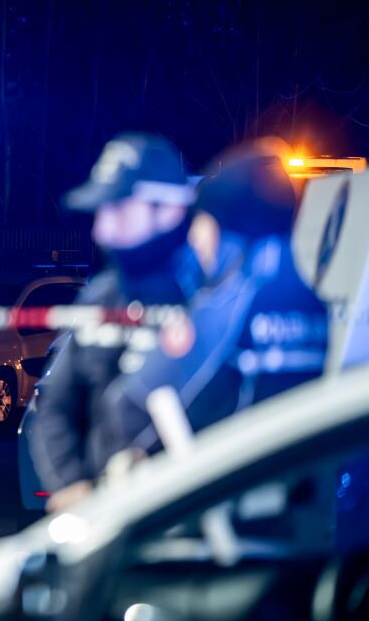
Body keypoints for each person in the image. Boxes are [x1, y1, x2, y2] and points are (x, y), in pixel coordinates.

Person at [100, 138, 329, 460]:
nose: (196, 240)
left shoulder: (229, 306)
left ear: (233, 234)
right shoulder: (314, 304)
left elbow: (128, 404)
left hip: (227, 492)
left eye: (205, 225)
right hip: (297, 485)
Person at [28, 133, 201, 512]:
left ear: (169, 211)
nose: (101, 232)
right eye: (100, 213)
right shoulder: (100, 296)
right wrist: (69, 482)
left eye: (119, 211)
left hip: (194, 524)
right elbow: (54, 401)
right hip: (108, 522)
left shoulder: (209, 297)